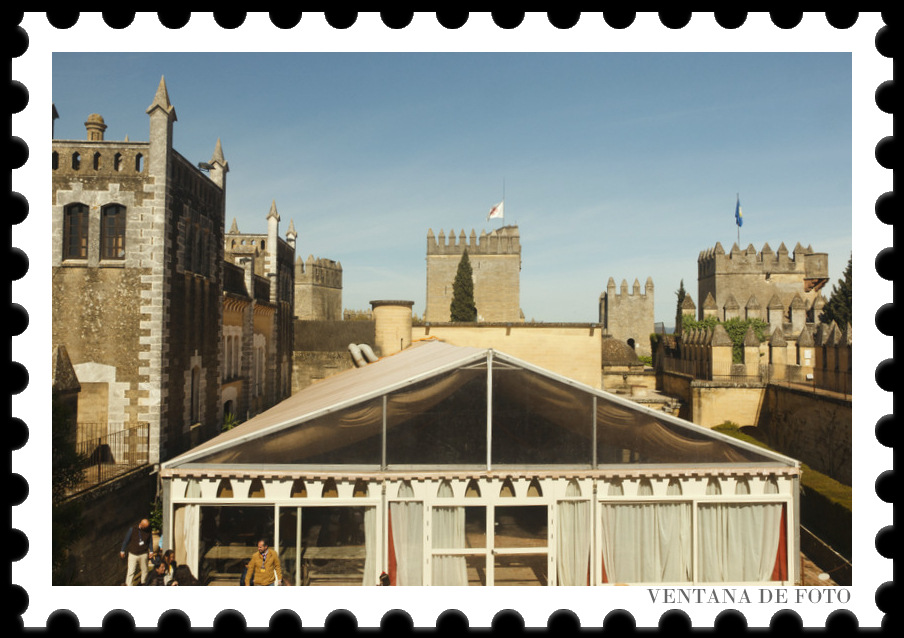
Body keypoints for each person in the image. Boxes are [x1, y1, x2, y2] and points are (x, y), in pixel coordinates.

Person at [120, 518, 154, 586]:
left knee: (145, 570)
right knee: (131, 571)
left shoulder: (148, 530)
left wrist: (151, 551)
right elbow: (126, 540)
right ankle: (129, 585)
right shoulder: (132, 529)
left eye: (147, 527)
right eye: (145, 527)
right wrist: (122, 550)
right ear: (141, 524)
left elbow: (150, 541)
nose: (146, 528)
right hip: (133, 554)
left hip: (143, 553)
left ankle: (143, 583)